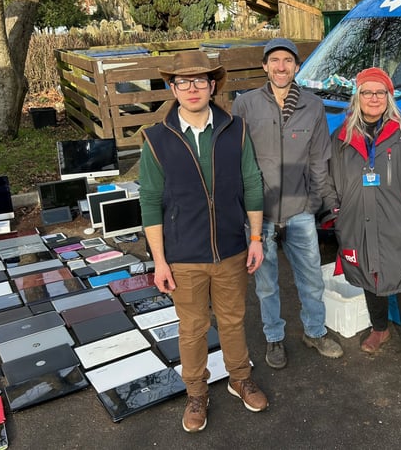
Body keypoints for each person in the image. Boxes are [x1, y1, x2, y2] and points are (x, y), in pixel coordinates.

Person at [139, 50, 268, 433]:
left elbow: (252, 184)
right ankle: (196, 392)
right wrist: (159, 261)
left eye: (200, 81)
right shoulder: (156, 139)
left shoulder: (236, 129)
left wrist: (256, 238)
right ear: (173, 88)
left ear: (213, 86)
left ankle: (239, 378)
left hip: (231, 249)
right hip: (183, 255)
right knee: (192, 327)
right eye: (183, 82)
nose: (192, 88)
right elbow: (149, 200)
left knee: (233, 320)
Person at [231, 38, 343, 369]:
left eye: (288, 61)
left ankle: (315, 331)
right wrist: (242, 207)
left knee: (310, 277)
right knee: (266, 284)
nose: (281, 66)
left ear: (296, 66)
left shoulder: (312, 105)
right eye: (275, 60)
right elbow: (236, 159)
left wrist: (318, 203)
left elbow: (319, 159)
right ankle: (274, 338)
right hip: (259, 213)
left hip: (299, 211)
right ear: (265, 66)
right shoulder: (246, 105)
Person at [321, 67, 401, 377]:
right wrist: (337, 215)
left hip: (399, 226)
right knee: (370, 278)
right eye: (367, 92)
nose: (373, 98)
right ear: (357, 97)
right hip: (358, 223)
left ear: (389, 97)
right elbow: (327, 180)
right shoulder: (342, 137)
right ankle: (380, 329)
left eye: (380, 92)